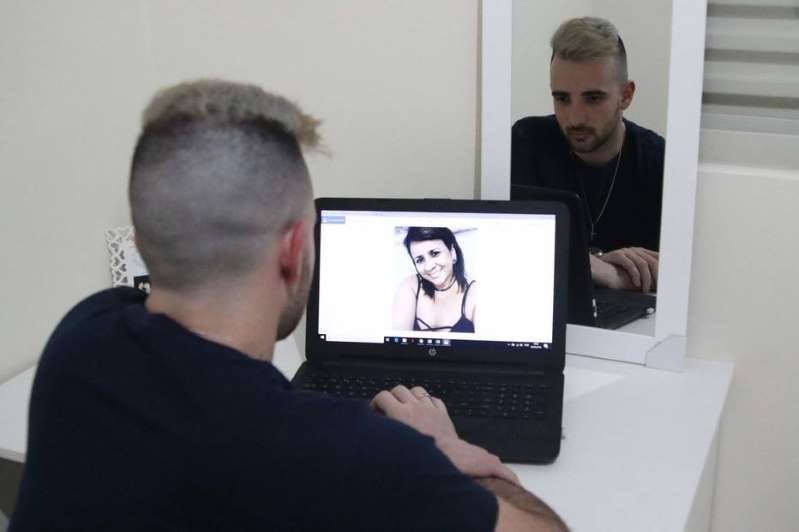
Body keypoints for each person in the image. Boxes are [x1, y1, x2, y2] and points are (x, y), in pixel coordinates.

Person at [10, 80, 567, 531]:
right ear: (294, 249)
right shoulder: (348, 455)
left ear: (143, 240)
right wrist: (442, 445)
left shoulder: (80, 339)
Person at [511, 17, 663, 293]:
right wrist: (594, 265)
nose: (575, 118)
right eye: (562, 99)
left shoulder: (659, 163)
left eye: (593, 98)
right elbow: (509, 250)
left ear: (626, 96)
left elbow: (678, 273)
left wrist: (613, 275)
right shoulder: (527, 143)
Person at [392, 226, 477, 333]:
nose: (428, 267)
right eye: (420, 260)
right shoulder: (410, 287)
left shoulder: (476, 295)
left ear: (452, 252)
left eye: (435, 253)